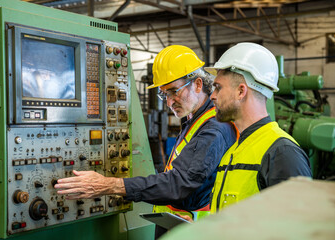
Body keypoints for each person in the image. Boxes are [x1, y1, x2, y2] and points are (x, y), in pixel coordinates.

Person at [55, 45, 237, 237]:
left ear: (198, 84)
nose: (169, 102)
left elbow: (178, 183)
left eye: (174, 91)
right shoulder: (194, 120)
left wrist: (107, 185)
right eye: (164, 94)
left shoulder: (213, 129)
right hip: (177, 226)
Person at [204, 42, 312, 213]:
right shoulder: (235, 150)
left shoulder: (282, 153)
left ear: (241, 91)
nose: (212, 96)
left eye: (218, 87)